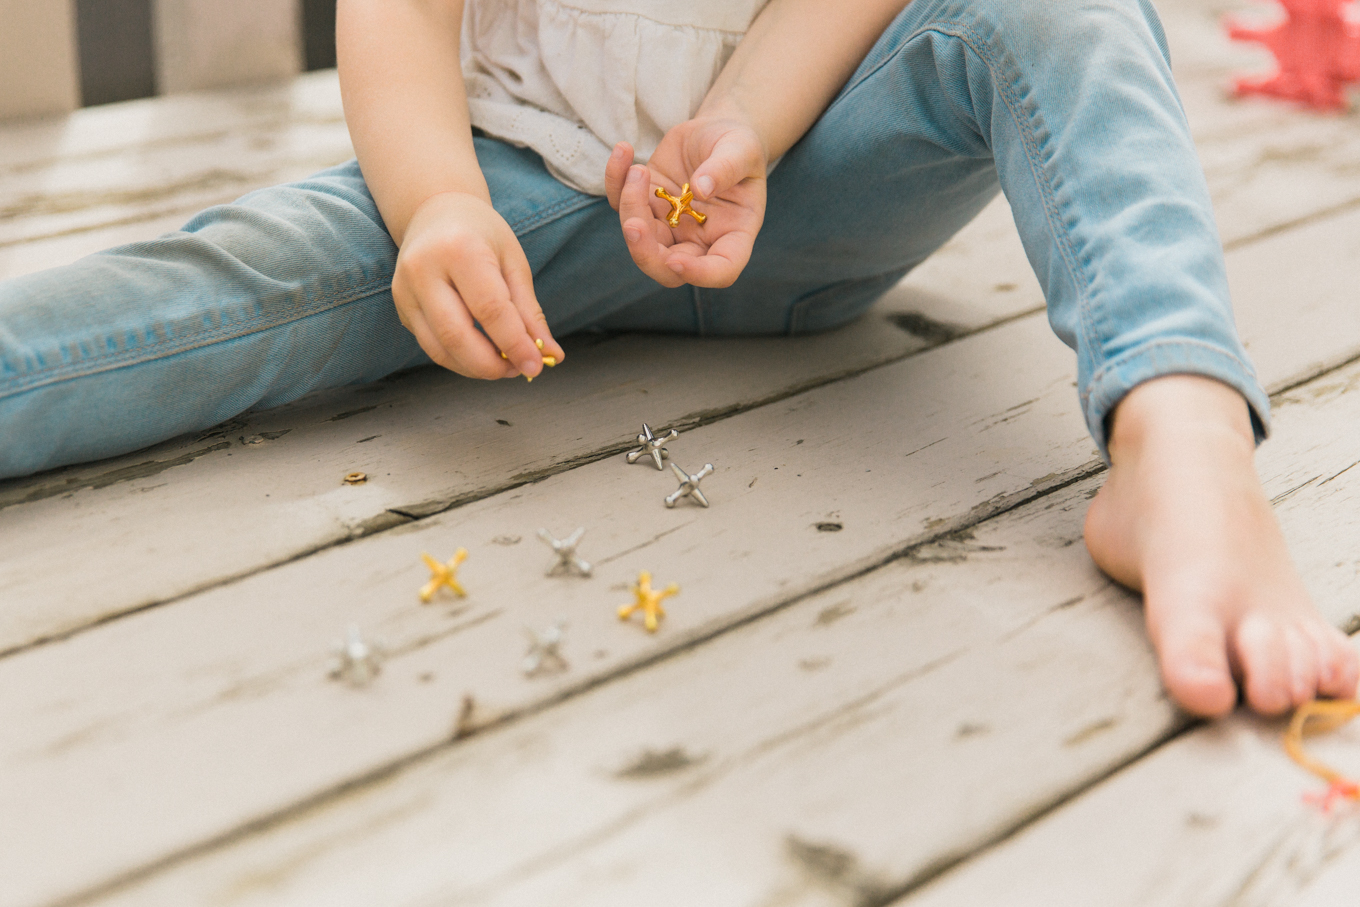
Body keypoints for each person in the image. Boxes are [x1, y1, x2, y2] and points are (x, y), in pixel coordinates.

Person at [0, 0, 1353, 716]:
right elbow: (402, 14)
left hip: (806, 181)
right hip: (512, 189)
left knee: (1057, 7)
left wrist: (741, 127)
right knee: (242, 276)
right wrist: (437, 208)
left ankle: (1179, 434)